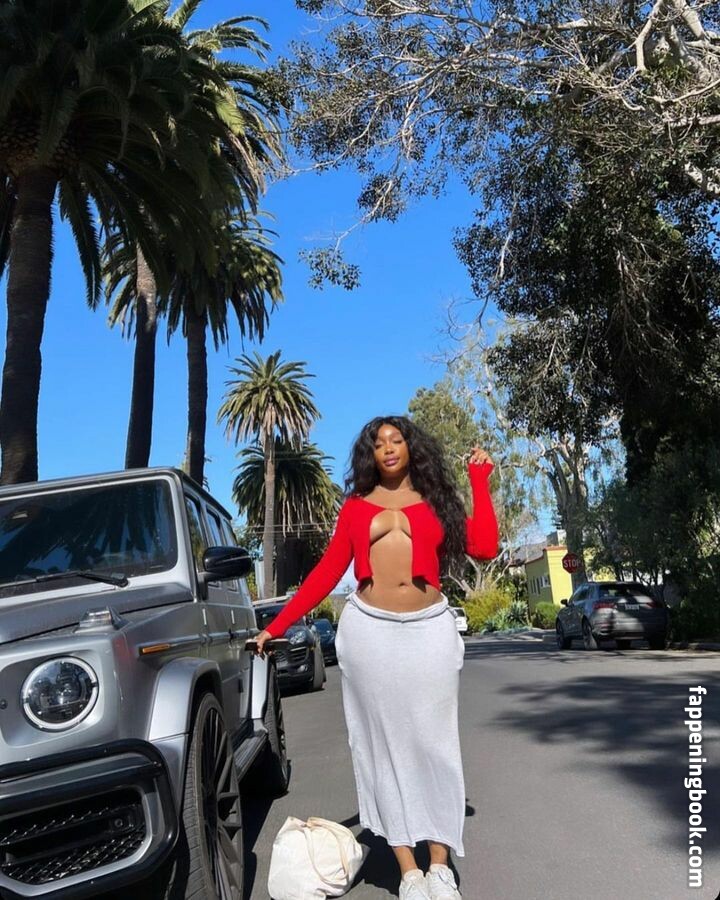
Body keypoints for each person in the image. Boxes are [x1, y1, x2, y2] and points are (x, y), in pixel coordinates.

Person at [251, 415, 499, 900]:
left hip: (429, 628)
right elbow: (327, 572)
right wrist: (277, 625)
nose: (387, 448)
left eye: (396, 440)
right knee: (381, 747)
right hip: (370, 632)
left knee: (435, 745)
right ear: (370, 454)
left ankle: (439, 866)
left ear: (410, 448)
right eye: (378, 442)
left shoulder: (435, 502)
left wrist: (479, 480)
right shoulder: (356, 507)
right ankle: (408, 870)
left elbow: (486, 546)